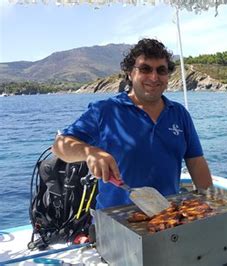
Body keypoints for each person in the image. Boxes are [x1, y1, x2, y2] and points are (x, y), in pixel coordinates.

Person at [52, 38, 212, 210]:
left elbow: (196, 162)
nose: (154, 77)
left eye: (161, 70)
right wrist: (90, 152)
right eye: (145, 69)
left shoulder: (179, 113)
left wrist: (210, 203)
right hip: (116, 223)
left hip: (167, 217)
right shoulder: (105, 110)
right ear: (130, 73)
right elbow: (59, 145)